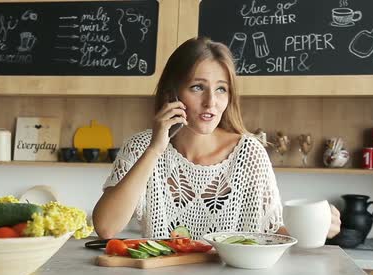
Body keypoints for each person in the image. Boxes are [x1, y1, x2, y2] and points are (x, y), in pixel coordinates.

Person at [92, 37, 341, 240]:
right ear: (173, 93)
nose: (211, 102)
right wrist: (155, 149)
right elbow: (106, 228)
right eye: (197, 87)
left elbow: (269, 232)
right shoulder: (140, 147)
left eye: (221, 89)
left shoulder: (249, 153)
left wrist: (318, 227)